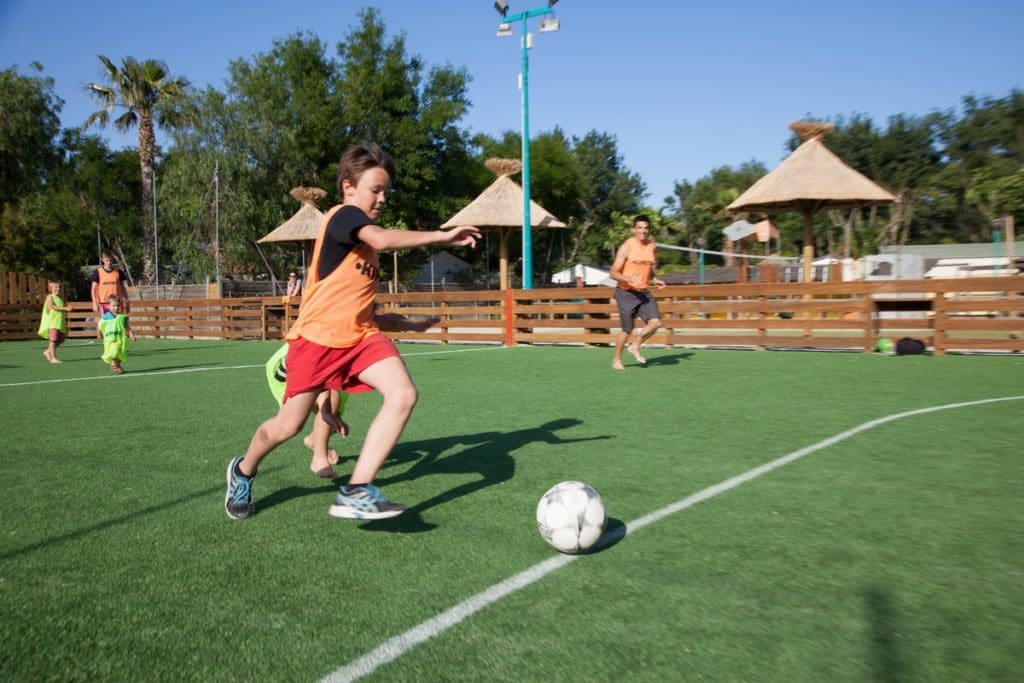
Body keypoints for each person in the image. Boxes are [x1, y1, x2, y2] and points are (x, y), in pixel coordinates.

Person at [225, 142, 480, 521]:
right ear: (348, 187)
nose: (381, 199)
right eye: (374, 190)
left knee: (404, 393)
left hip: (359, 339)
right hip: (315, 341)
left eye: (385, 193)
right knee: (287, 426)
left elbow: (362, 309)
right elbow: (383, 238)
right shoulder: (343, 217)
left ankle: (357, 490)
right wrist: (443, 236)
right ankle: (242, 470)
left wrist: (407, 323)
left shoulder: (364, 251)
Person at [266, 311, 440, 479]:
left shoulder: (358, 324)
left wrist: (408, 324)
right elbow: (317, 381)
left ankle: (314, 439)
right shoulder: (329, 333)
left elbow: (379, 321)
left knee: (333, 419)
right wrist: (326, 411)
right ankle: (318, 458)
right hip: (290, 370)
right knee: (294, 423)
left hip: (335, 366)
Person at [609, 214, 666, 370]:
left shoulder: (651, 246)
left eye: (646, 228)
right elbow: (613, 273)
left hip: (643, 292)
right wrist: (627, 278)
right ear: (634, 229)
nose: (643, 230)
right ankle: (616, 359)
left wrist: (654, 279)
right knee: (627, 329)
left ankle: (635, 346)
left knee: (656, 323)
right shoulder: (627, 246)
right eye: (639, 227)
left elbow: (648, 269)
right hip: (625, 292)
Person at [99, 295, 136, 374]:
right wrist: (100, 334)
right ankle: (114, 366)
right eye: (113, 306)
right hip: (111, 339)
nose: (115, 308)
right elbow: (101, 325)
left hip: (120, 338)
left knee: (119, 353)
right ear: (108, 306)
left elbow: (126, 326)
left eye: (117, 305)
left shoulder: (122, 316)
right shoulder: (106, 317)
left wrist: (131, 334)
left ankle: (118, 366)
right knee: (114, 351)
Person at [38, 280, 72, 364]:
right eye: (55, 287)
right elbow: (51, 306)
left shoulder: (59, 299)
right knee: (53, 340)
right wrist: (65, 308)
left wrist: (67, 309)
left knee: (61, 339)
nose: (58, 289)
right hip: (53, 323)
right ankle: (53, 358)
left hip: (59, 323)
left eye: (59, 287)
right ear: (50, 289)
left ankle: (47, 351)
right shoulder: (50, 296)